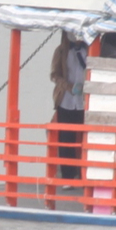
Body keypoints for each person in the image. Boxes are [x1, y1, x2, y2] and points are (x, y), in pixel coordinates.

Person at [49, 31, 89, 204]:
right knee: (66, 138)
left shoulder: (91, 50)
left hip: (85, 101)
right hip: (66, 100)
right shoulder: (61, 51)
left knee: (86, 139)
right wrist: (68, 86)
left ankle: (85, 174)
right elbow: (54, 75)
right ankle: (67, 177)